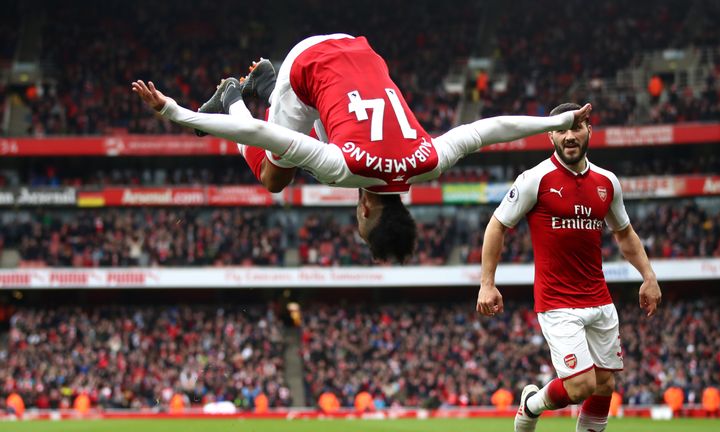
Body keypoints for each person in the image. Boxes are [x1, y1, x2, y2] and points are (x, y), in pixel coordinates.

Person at [131, 34, 591, 263]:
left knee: (327, 130)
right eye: (359, 222)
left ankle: (271, 87)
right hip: (306, 62)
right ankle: (236, 92)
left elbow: (491, 129)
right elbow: (262, 136)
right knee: (274, 177)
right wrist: (177, 112)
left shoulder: (427, 161)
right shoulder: (343, 168)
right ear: (368, 210)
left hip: (360, 50)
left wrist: (560, 120)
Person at [475, 103, 662, 432]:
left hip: (600, 299)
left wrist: (649, 276)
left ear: (590, 130)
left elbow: (625, 234)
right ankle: (531, 405)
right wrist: (487, 283)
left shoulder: (608, 182)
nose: (570, 135)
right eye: (562, 129)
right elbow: (496, 225)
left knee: (604, 385)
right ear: (551, 135)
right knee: (580, 387)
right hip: (558, 302)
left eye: (577, 127)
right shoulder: (535, 179)